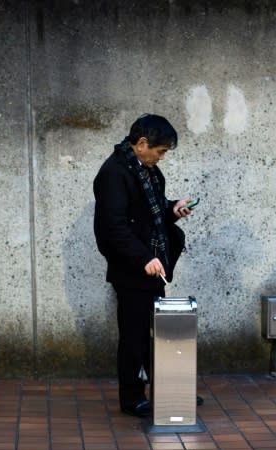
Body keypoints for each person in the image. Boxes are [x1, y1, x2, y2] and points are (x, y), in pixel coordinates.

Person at [93, 114, 195, 417]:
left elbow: (151, 210)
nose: (162, 157)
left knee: (153, 335)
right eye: (160, 151)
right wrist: (143, 258)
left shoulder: (145, 170)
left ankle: (166, 392)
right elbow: (115, 228)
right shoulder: (114, 173)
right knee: (134, 337)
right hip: (133, 270)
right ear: (141, 144)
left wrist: (173, 210)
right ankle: (132, 398)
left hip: (151, 267)